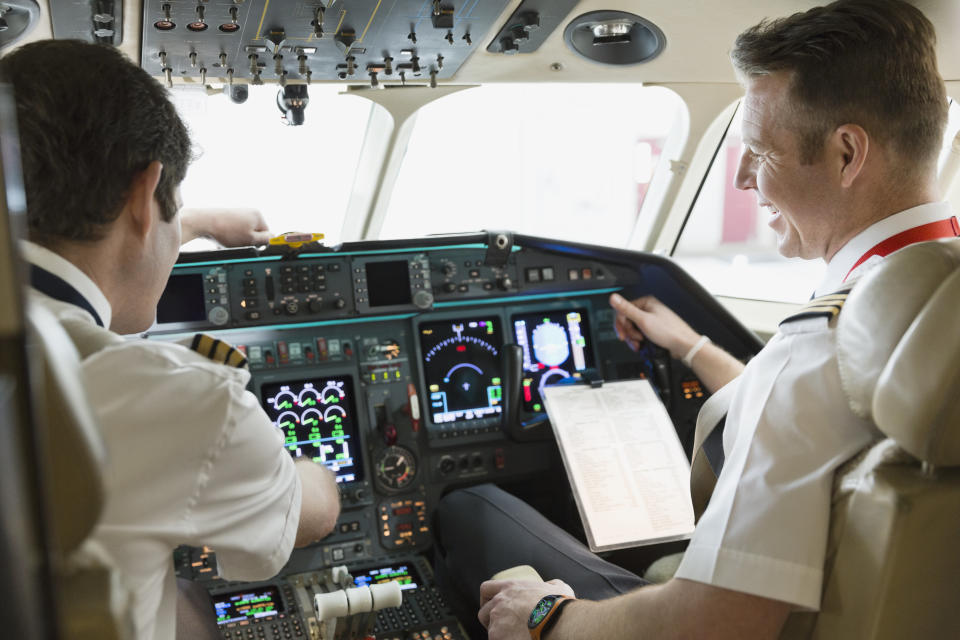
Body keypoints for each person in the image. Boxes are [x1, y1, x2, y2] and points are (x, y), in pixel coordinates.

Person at [433, 1, 958, 638]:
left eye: (761, 153)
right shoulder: (924, 310)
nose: (743, 178)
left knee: (470, 507)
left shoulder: (815, 350)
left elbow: (714, 622)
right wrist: (692, 345)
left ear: (848, 153)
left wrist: (545, 616)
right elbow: (826, 417)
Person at [0, 41, 341, 640]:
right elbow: (308, 517)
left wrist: (195, 222)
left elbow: (102, 247)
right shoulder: (182, 398)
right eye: (169, 203)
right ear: (141, 195)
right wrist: (321, 470)